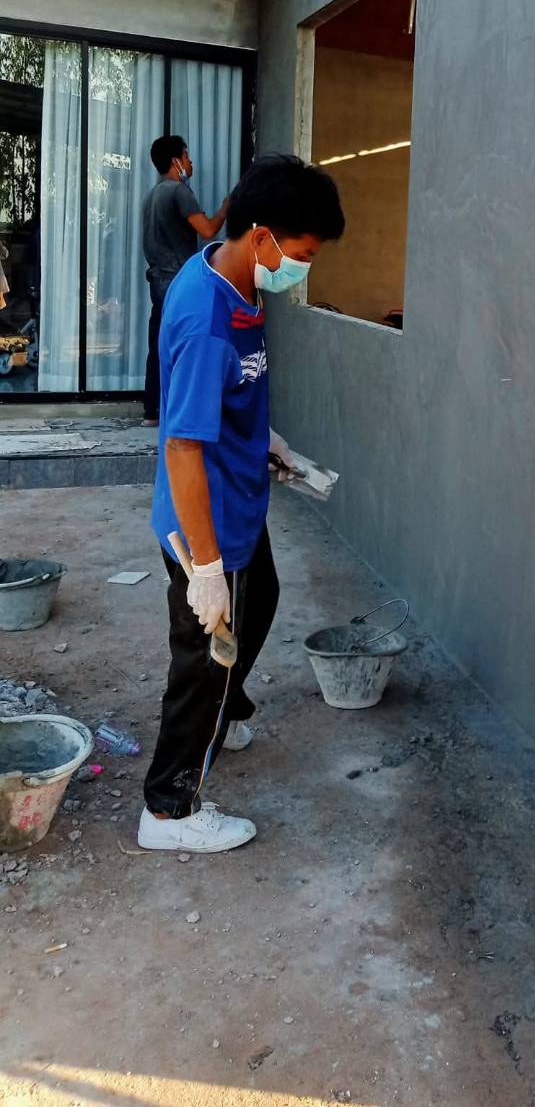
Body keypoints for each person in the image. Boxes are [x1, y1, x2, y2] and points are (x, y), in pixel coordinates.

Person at [138, 153, 345, 853]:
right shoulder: (205, 318)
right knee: (206, 658)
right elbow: (182, 447)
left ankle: (223, 712)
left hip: (238, 500)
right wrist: (205, 568)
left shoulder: (232, 277)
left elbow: (229, 397)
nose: (302, 269)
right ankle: (169, 809)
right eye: (301, 255)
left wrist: (267, 443)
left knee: (261, 603)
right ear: (261, 237)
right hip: (209, 521)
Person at [141, 136, 229, 426]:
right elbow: (207, 230)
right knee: (186, 346)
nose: (191, 163)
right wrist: (226, 208)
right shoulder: (179, 192)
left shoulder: (152, 195)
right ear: (175, 161)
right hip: (177, 282)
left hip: (157, 281)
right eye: (187, 157)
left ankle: (152, 411)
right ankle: (182, 411)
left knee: (159, 344)